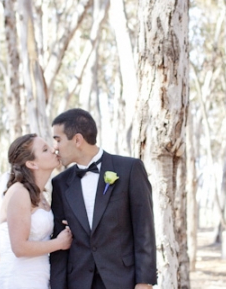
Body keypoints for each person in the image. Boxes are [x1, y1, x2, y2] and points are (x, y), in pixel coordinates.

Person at [48, 108, 157, 289]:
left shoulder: (129, 169)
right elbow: (61, 246)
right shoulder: (60, 183)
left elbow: (143, 228)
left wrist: (144, 282)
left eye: (58, 140)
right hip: (78, 282)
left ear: (77, 140)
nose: (55, 147)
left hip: (122, 280)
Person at [0, 134, 73, 289]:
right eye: (45, 150)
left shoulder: (40, 195)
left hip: (39, 277)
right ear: (32, 163)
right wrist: (59, 243)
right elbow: (19, 248)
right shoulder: (19, 193)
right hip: (18, 278)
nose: (53, 150)